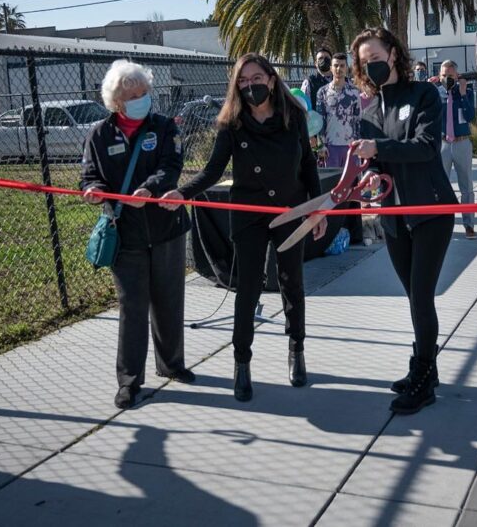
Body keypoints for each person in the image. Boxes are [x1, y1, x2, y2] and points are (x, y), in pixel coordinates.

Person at [161, 53, 325, 402]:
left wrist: (318, 209)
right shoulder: (231, 123)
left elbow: (308, 164)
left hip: (290, 209)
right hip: (249, 214)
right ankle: (241, 362)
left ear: (270, 78)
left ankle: (296, 349)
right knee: (247, 288)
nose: (251, 86)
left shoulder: (293, 114)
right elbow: (212, 170)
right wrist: (182, 192)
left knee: (291, 282)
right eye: (243, 81)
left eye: (256, 78)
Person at [349, 27, 457, 415]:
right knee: (414, 298)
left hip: (430, 212)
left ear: (394, 54)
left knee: (422, 296)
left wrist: (379, 147)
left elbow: (427, 147)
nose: (370, 65)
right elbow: (378, 163)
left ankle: (423, 375)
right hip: (394, 216)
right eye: (364, 62)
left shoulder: (424, 94)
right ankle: (425, 369)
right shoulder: (368, 110)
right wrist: (369, 171)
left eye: (375, 57)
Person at [80, 60, 194, 410]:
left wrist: (149, 189)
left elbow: (170, 167)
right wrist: (95, 190)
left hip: (166, 230)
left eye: (144, 92)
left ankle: (172, 364)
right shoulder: (99, 134)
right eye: (132, 95)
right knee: (132, 307)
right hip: (125, 235)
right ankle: (129, 381)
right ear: (117, 101)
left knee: (169, 300)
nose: (140, 99)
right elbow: (88, 175)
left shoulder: (163, 128)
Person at [437, 60, 477, 239]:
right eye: (444, 75)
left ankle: (469, 225)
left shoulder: (466, 92)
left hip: (462, 143)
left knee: (466, 186)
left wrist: (461, 94)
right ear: (440, 76)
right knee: (440, 186)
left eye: (450, 75)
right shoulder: (436, 93)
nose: (447, 78)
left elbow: (470, 116)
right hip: (443, 144)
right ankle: (442, 225)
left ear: (457, 76)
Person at [316, 53, 362, 169]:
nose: (339, 69)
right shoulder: (322, 92)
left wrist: (359, 145)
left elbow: (358, 120)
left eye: (342, 66)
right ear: (331, 68)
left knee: (352, 184)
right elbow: (320, 121)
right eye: (335, 65)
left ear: (347, 68)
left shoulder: (355, 92)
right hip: (330, 148)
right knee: (332, 184)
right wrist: (321, 145)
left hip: (351, 147)